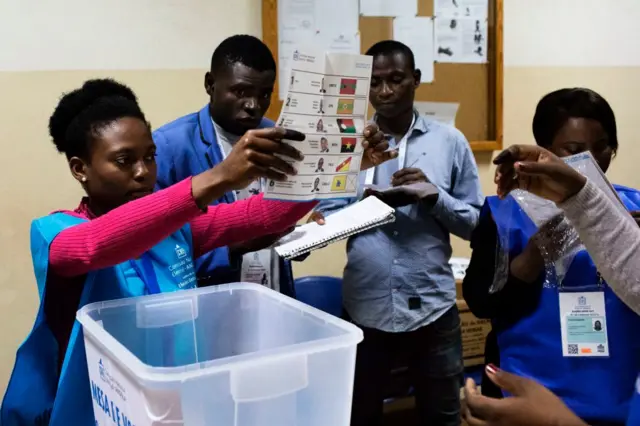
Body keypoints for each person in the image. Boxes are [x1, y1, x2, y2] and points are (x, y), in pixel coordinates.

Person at [0, 79, 320, 426]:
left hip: (165, 407)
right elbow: (95, 245)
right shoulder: (55, 234)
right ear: (80, 169)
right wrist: (218, 178)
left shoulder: (175, 228)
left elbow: (265, 214)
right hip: (90, 410)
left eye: (149, 157)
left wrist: (335, 167)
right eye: (124, 161)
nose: (143, 173)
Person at [311, 40, 483, 426]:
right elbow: (327, 216)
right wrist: (368, 210)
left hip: (433, 306)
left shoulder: (449, 142)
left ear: (415, 80)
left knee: (442, 416)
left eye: (395, 79)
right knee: (360, 414)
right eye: (374, 82)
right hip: (364, 306)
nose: (384, 91)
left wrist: (434, 197)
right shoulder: (346, 145)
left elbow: (476, 224)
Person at [153, 35, 388, 295]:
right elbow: (158, 253)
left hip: (274, 293)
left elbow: (281, 218)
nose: (253, 106)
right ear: (210, 84)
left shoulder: (279, 135)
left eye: (264, 94)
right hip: (211, 306)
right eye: (241, 92)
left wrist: (300, 236)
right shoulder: (168, 148)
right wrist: (237, 246)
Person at [462, 88, 640, 425]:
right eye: (573, 151)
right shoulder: (505, 212)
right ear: (545, 152)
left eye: (603, 147)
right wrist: (532, 258)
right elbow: (481, 302)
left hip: (617, 393)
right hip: (527, 390)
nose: (592, 160)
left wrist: (624, 237)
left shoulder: (631, 210)